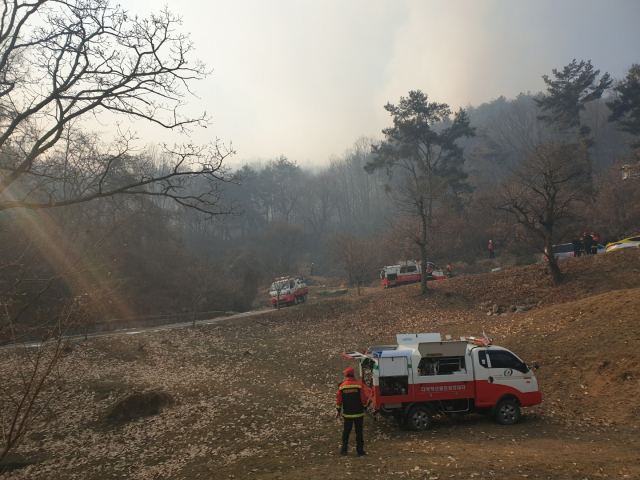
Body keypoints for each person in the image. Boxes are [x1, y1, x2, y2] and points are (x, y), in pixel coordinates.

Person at [335, 367, 369, 456]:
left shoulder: (342, 387)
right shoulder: (359, 385)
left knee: (346, 432)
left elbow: (339, 400)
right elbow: (363, 399)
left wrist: (338, 410)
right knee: (359, 432)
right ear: (353, 374)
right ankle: (360, 451)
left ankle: (344, 450)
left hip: (347, 414)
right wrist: (365, 408)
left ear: (346, 375)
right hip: (358, 413)